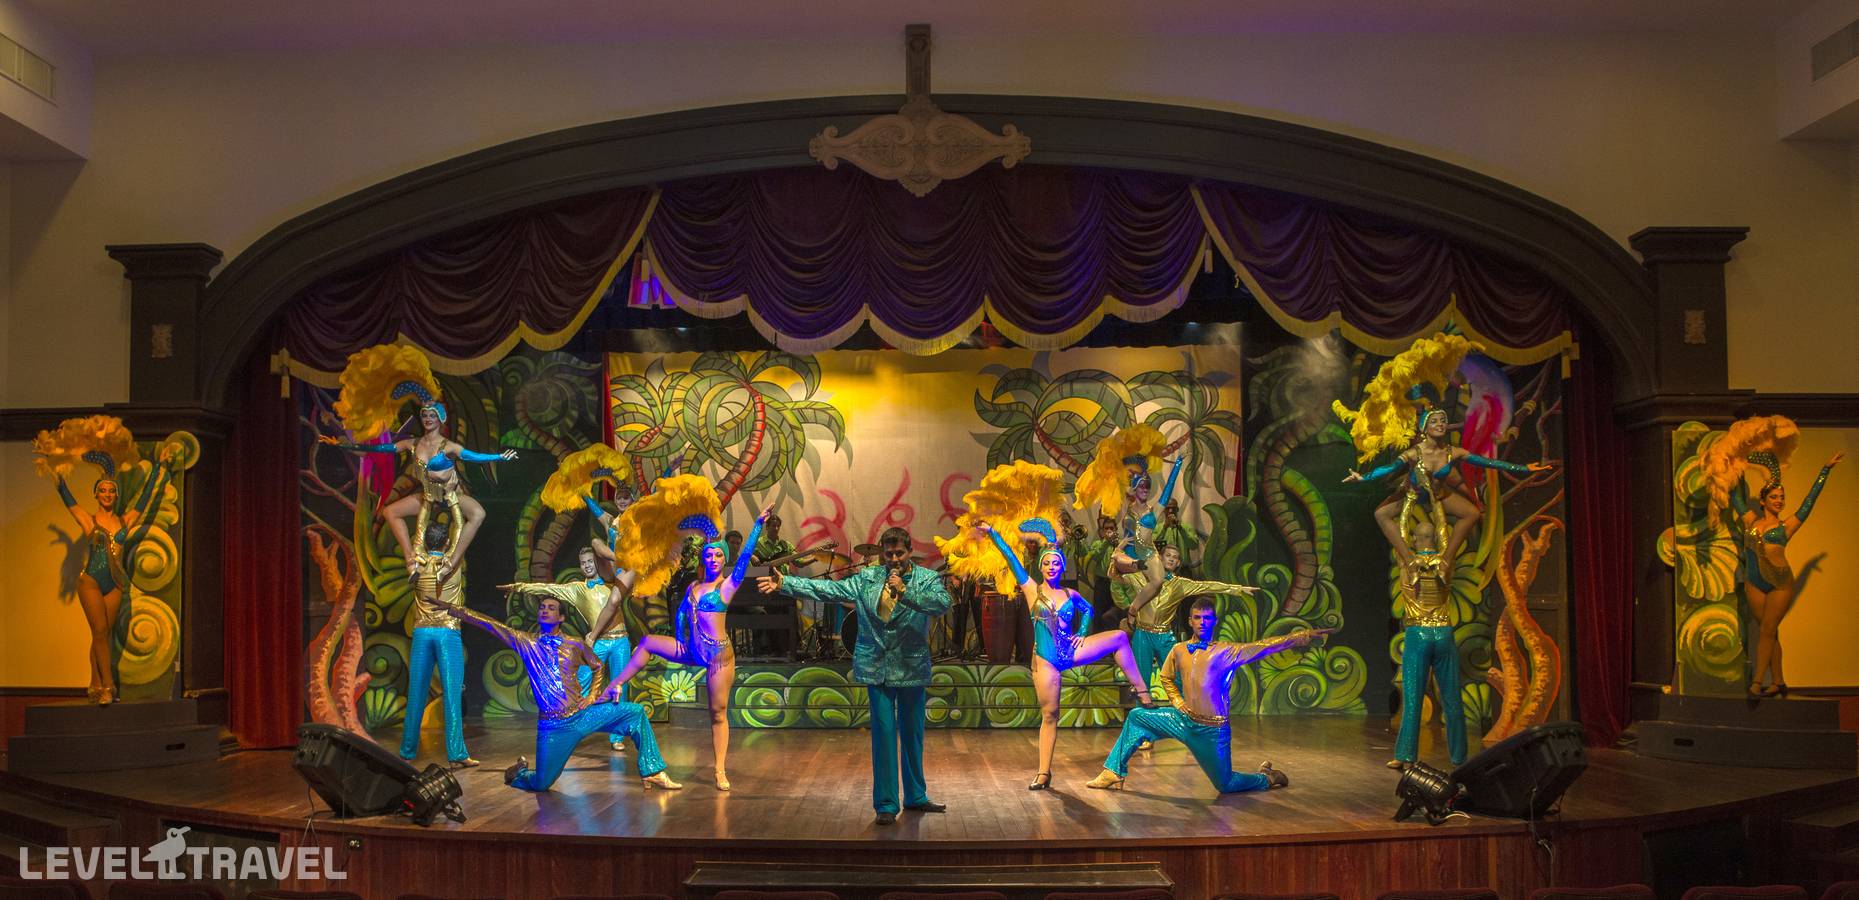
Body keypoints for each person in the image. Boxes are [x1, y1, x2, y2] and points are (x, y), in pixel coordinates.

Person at [760, 527, 952, 825]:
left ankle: (916, 795)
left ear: (910, 551)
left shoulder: (926, 579)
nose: (894, 559)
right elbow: (828, 591)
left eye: (899, 553)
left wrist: (904, 591)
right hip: (878, 668)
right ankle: (886, 804)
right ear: (882, 553)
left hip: (911, 667)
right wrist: (786, 583)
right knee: (884, 736)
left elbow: (941, 604)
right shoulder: (868, 578)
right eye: (888, 554)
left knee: (913, 736)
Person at [977, 520, 1157, 790]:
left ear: (1062, 567)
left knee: (1120, 638)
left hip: (1072, 650)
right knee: (1050, 714)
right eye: (1047, 563)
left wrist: (1082, 632)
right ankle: (1043, 773)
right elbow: (1010, 557)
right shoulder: (1031, 589)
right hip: (1046, 660)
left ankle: (1142, 693)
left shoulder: (1070, 594)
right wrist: (992, 532)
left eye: (1056, 563)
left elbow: (1088, 610)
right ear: (1041, 567)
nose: (1051, 567)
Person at [609, 495, 774, 792]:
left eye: (718, 555)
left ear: (724, 560)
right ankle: (616, 684)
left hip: (718, 657)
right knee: (646, 642)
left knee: (717, 713)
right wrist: (680, 637)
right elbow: (682, 613)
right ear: (703, 558)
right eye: (709, 555)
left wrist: (758, 525)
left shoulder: (727, 586)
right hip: (691, 649)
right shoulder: (693, 587)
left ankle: (719, 770)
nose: (713, 559)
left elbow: (744, 559)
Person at [1086, 598, 1330, 794]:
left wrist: (1301, 637)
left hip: (1212, 730)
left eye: (1207, 618)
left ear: (1214, 621)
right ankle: (1113, 771)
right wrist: (1177, 701)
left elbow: (1265, 646)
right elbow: (1166, 677)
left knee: (1225, 785)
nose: (1202, 622)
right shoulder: (1179, 649)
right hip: (1182, 720)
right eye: (1197, 618)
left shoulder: (1227, 651)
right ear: (1190, 621)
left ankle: (1266, 778)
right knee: (1137, 717)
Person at [320, 346, 517, 580]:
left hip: (451, 497)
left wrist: (499, 457)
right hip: (427, 498)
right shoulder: (412, 444)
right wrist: (348, 445)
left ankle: (450, 564)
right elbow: (382, 449)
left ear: (440, 419)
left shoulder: (449, 446)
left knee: (478, 514)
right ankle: (411, 562)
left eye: (432, 416)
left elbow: (475, 456)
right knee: (390, 512)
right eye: (425, 416)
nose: (428, 419)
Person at [447, 596, 680, 792]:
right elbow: (490, 624)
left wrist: (591, 697)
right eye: (542, 607)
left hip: (582, 715)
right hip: (553, 726)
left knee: (635, 712)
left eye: (551, 608)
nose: (545, 610)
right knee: (541, 784)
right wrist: (454, 609)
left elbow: (598, 666)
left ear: (561, 618)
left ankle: (653, 771)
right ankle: (519, 773)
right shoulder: (526, 642)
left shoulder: (575, 644)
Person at [35, 418, 176, 705]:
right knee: (99, 631)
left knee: (103, 634)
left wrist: (159, 468)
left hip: (115, 584)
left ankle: (94, 684)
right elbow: (67, 498)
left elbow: (145, 499)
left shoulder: (126, 520)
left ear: (116, 494)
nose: (108, 494)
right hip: (90, 582)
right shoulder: (89, 521)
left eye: (112, 491)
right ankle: (108, 687)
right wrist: (55, 469)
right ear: (96, 494)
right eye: (103, 491)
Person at [499, 545, 636, 752]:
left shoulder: (611, 582)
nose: (587, 566)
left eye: (590, 561)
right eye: (583, 563)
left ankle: (617, 736)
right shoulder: (576, 590)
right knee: (580, 683)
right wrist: (519, 587)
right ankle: (572, 728)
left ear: (597, 563)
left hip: (621, 640)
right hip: (597, 641)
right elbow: (546, 589)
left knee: (619, 687)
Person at [1732, 450, 1842, 698]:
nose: (1779, 500)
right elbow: (1736, 498)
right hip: (1754, 582)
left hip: (1780, 582)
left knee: (1767, 630)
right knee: (1769, 631)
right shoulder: (1750, 521)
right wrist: (1736, 468)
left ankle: (1757, 682)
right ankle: (1779, 681)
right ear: (1763, 501)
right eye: (1774, 497)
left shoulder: (1787, 526)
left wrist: (1825, 470)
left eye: (1782, 497)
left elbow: (1809, 501)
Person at [1118, 544, 1259, 702]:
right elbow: (1115, 576)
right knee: (1141, 679)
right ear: (1160, 558)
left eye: (1175, 557)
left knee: (1177, 676)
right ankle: (1141, 712)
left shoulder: (1181, 584)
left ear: (1178, 563)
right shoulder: (1140, 577)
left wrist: (1238, 589)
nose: (1171, 559)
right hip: (1142, 634)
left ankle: (1184, 711)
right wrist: (1117, 554)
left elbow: (1207, 586)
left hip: (1164, 635)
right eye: (1168, 555)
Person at [1388, 516, 1466, 770]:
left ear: (1416, 539)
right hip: (1443, 633)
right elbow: (1443, 529)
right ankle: (1459, 757)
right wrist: (1436, 500)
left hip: (1418, 634)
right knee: (1452, 698)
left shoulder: (1408, 561)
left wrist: (1409, 501)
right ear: (1435, 539)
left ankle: (1406, 756)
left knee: (1413, 699)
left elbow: (1398, 530)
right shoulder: (1446, 561)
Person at [400, 519, 477, 766]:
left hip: (422, 634)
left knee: (416, 693)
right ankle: (456, 754)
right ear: (448, 542)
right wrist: (452, 502)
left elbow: (416, 525)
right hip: (446, 633)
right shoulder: (452, 562)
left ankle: (407, 752)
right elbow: (473, 519)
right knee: (452, 694)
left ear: (423, 541)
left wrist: (425, 506)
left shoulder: (416, 563)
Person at [1153, 500, 1202, 574]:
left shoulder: (1186, 527)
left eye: (1173, 508)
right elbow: (1152, 546)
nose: (1170, 511)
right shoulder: (1157, 528)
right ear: (1164, 510)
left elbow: (1194, 545)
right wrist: (1164, 528)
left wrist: (1181, 529)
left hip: (1183, 569)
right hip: (1162, 568)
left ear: (1177, 510)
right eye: (1168, 508)